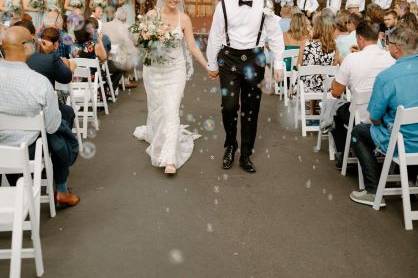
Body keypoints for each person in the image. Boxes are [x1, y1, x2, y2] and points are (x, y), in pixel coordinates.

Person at [0, 26, 80, 206]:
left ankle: (19, 188)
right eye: (33, 41)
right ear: (25, 46)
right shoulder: (39, 83)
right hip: (27, 149)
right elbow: (52, 125)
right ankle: (61, 189)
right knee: (58, 129)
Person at [207, 0, 284, 173]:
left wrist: (279, 63)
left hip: (255, 58)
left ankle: (246, 154)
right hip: (229, 58)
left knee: (251, 109)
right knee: (229, 106)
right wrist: (212, 64)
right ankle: (231, 145)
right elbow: (215, 35)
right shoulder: (224, 5)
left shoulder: (265, 4)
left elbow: (274, 33)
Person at [133, 0, 208, 175]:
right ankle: (158, 138)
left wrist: (208, 66)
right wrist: (150, 38)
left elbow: (192, 47)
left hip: (176, 70)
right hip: (154, 71)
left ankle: (170, 159)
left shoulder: (184, 19)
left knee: (172, 110)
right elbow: (140, 42)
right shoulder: (152, 16)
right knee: (158, 110)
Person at [349, 27, 418, 206]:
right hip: (412, 138)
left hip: (403, 143)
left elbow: (374, 117)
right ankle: (410, 180)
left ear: (396, 48)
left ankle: (373, 190)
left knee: (358, 132)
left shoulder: (387, 77)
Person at [330, 20, 395, 168]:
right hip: (387, 117)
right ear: (378, 37)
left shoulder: (351, 59)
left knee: (335, 111)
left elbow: (336, 92)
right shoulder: (390, 58)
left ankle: (345, 153)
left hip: (361, 115)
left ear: (359, 38)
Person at [297, 15, 339, 96]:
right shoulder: (334, 47)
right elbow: (333, 70)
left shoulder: (305, 44)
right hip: (327, 88)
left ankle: (312, 108)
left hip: (306, 88)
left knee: (309, 75)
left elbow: (298, 66)